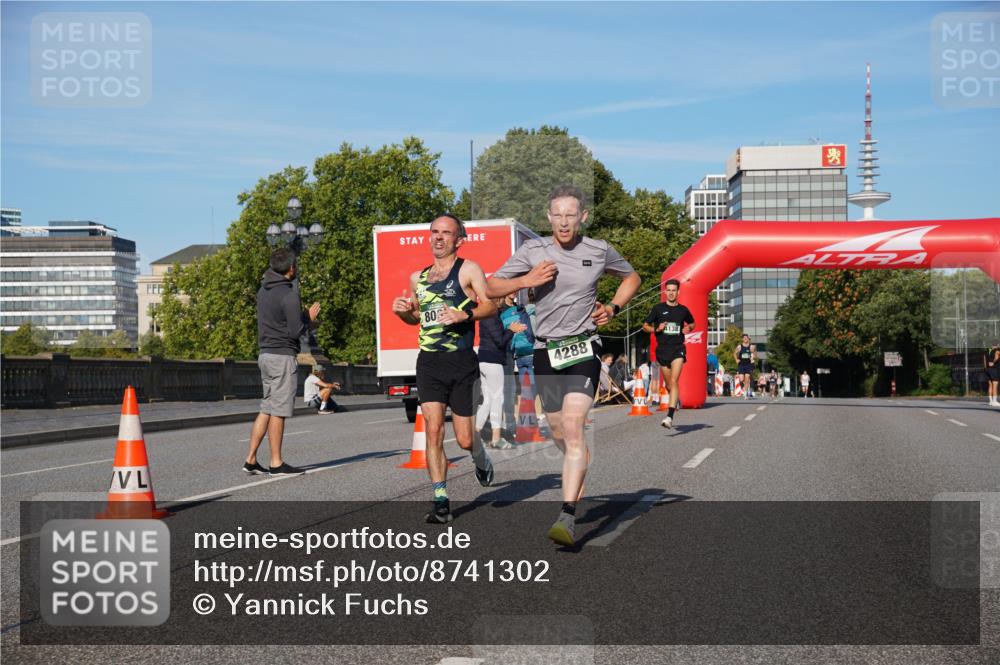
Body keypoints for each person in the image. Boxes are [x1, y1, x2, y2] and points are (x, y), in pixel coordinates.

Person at [487, 184, 641, 546]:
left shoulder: (599, 250)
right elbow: (492, 286)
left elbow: (632, 277)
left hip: (584, 347)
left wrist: (613, 308)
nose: (564, 222)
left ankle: (567, 517)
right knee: (559, 432)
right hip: (545, 351)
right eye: (558, 215)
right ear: (549, 217)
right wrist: (527, 280)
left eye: (571, 215)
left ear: (583, 216)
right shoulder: (532, 250)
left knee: (573, 426)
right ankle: (576, 458)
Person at [391, 214, 497, 524]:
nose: (438, 237)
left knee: (464, 439)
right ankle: (440, 500)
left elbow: (490, 305)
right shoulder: (417, 278)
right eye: (434, 232)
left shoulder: (468, 269)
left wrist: (465, 316)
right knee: (433, 430)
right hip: (429, 362)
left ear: (458, 239)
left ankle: (480, 458)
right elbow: (416, 320)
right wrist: (403, 314)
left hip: (461, 362)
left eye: (446, 233)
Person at [244, 247, 319, 477]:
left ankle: (251, 460)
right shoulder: (289, 292)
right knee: (278, 410)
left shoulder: (262, 290)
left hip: (265, 354)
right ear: (291, 268)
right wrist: (310, 319)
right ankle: (276, 463)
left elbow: (278, 322)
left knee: (266, 407)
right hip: (282, 356)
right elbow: (296, 331)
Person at [643, 278, 695, 429]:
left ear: (678, 292)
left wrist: (689, 328)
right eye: (669, 290)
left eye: (674, 290)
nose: (671, 293)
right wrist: (656, 329)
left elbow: (692, 323)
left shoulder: (683, 310)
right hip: (663, 350)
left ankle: (669, 417)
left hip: (678, 348)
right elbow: (645, 326)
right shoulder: (658, 309)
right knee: (668, 385)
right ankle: (675, 398)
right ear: (665, 292)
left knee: (673, 381)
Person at [476, 299, 515, 449]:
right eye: (501, 298)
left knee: (487, 401)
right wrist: (511, 330)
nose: (502, 302)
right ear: (496, 300)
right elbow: (500, 341)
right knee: (498, 399)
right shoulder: (491, 317)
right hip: (493, 361)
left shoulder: (487, 315)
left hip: (484, 360)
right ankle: (496, 438)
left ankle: (476, 434)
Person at [734, 335, 756, 399]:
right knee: (741, 379)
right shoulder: (739, 347)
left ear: (748, 339)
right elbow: (734, 353)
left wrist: (753, 357)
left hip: (748, 365)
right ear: (742, 339)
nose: (745, 339)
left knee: (747, 379)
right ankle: (745, 389)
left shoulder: (751, 347)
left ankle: (745, 393)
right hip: (741, 365)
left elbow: (754, 353)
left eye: (746, 338)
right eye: (744, 338)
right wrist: (736, 359)